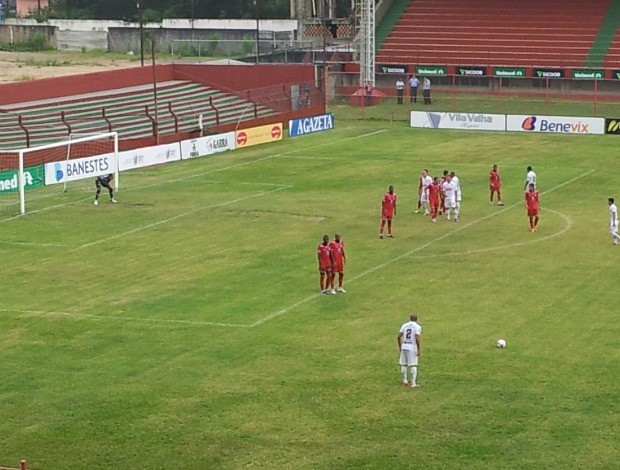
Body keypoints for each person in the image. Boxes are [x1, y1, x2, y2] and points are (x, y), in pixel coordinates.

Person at [397, 314, 421, 388]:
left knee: (403, 364)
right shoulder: (417, 326)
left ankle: (405, 381)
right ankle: (413, 383)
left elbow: (398, 336)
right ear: (416, 319)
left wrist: (400, 346)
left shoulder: (404, 325)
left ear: (409, 319)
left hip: (404, 346)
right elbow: (416, 337)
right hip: (412, 347)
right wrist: (419, 348)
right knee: (413, 364)